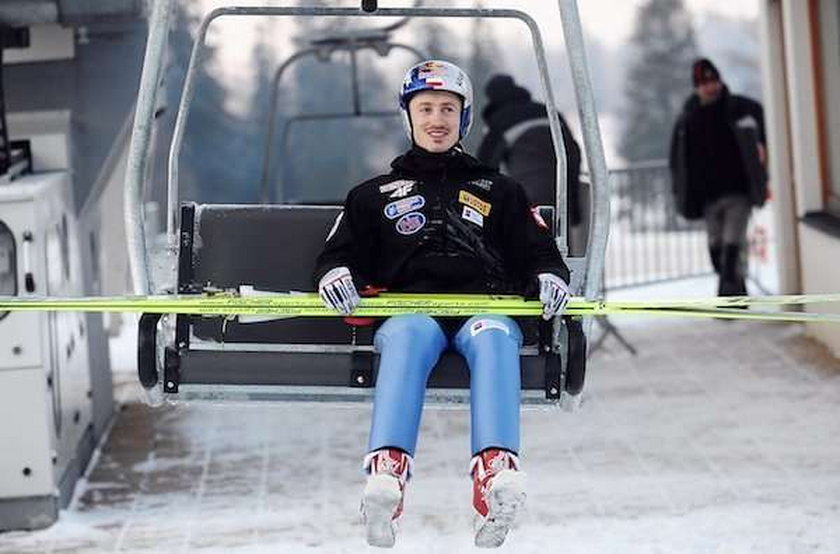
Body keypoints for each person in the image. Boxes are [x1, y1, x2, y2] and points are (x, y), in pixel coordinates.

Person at [312, 60, 571, 549]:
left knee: (494, 336)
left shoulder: (499, 190)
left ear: (464, 119)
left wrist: (549, 277)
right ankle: (387, 474)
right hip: (412, 313)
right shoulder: (372, 196)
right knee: (408, 336)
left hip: (485, 312)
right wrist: (336, 274)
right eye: (425, 108)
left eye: (448, 109)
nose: (437, 119)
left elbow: (540, 253)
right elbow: (336, 254)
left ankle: (494, 475)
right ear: (408, 117)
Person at [669, 58, 767, 296]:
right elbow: (677, 160)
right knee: (716, 250)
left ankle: (726, 302)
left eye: (713, 81)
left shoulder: (739, 109)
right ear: (697, 87)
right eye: (704, 83)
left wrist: (761, 147)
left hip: (738, 191)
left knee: (732, 247)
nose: (710, 87)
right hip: (708, 196)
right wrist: (682, 191)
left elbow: (760, 126)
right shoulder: (687, 119)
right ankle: (738, 293)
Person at [476, 74, 584, 254]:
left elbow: (484, 167)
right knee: (563, 248)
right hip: (561, 188)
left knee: (531, 253)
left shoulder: (500, 120)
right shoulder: (548, 111)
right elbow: (573, 153)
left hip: (528, 194)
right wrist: (574, 207)